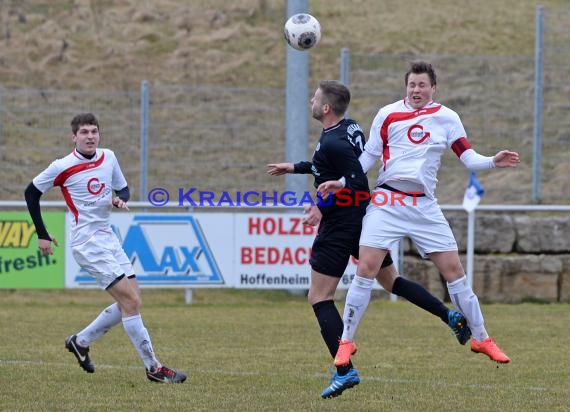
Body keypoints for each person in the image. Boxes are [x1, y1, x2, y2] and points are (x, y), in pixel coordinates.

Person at [267, 80, 471, 399]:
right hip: (363, 219)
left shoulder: (333, 141)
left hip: (340, 223)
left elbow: (357, 179)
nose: (310, 100)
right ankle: (450, 315)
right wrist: (295, 167)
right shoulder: (348, 128)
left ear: (325, 108)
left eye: (315, 98)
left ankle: (344, 370)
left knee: (319, 296)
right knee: (392, 282)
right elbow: (335, 169)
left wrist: (322, 207)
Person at [318, 62, 520, 370]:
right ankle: (345, 342)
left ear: (433, 88)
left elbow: (467, 157)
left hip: (425, 206)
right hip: (387, 201)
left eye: (422, 85)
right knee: (367, 267)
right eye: (412, 85)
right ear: (406, 87)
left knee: (455, 271)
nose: (416, 90)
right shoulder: (386, 114)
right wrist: (343, 181)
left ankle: (482, 337)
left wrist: (492, 160)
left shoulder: (448, 117)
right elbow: (368, 157)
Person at [24, 113, 186, 383]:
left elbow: (123, 189)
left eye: (94, 131)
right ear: (73, 137)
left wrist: (120, 200)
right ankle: (154, 368)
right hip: (86, 243)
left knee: (132, 299)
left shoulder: (108, 157)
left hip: (108, 237)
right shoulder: (62, 166)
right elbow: (31, 192)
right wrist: (41, 233)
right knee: (131, 302)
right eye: (84, 132)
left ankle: (81, 341)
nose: (90, 136)